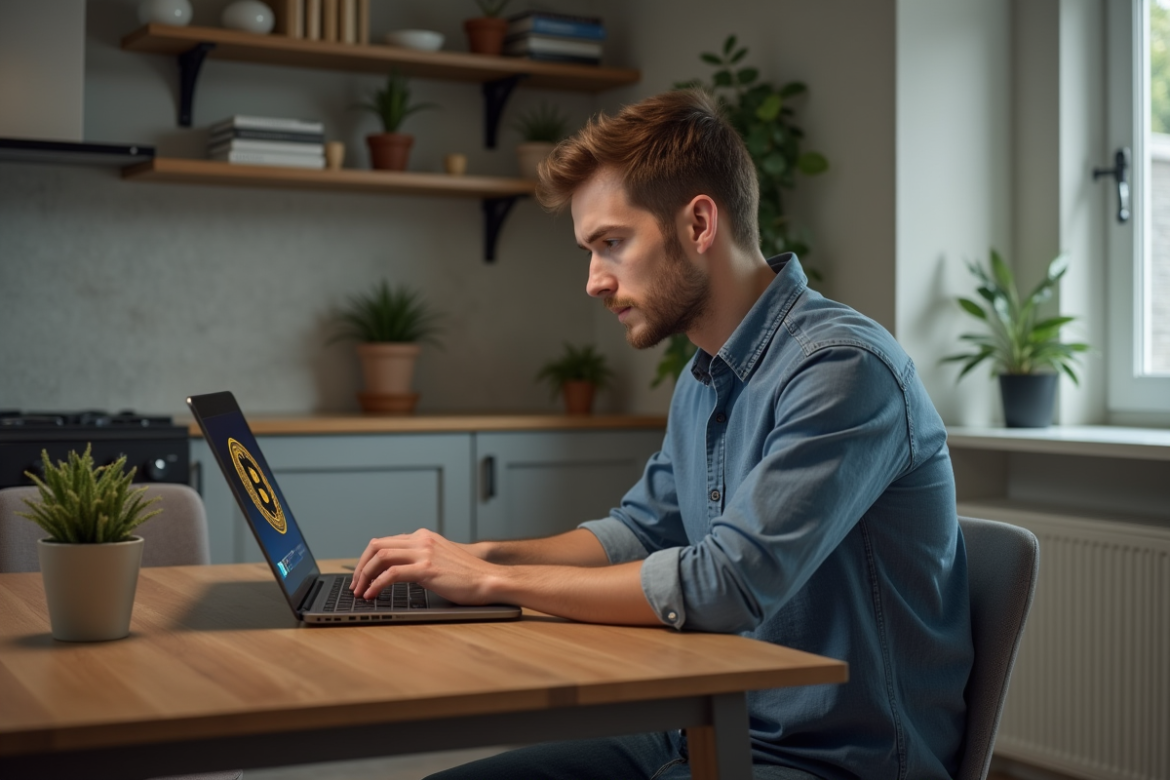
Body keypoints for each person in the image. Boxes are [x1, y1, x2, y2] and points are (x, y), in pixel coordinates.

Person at [350, 89, 974, 780]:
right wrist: (470, 557)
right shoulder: (704, 378)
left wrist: (497, 580)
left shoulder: (840, 369)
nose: (593, 281)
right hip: (706, 728)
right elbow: (639, 530)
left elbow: (725, 584)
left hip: (829, 761)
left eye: (611, 244)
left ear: (699, 222)